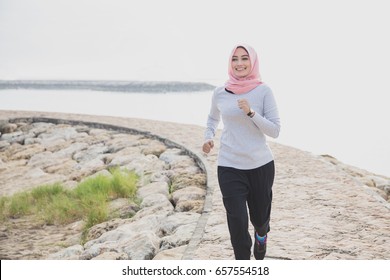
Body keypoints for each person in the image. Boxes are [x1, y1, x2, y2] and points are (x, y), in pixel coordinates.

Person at [202, 44, 280, 260]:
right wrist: (208, 137)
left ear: (252, 62)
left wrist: (251, 113)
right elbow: (212, 119)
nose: (239, 63)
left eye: (244, 58)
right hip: (229, 165)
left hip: (260, 166)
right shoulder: (220, 92)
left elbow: (275, 130)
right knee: (236, 221)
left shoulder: (264, 91)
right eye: (234, 59)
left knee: (260, 219)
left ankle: (262, 234)